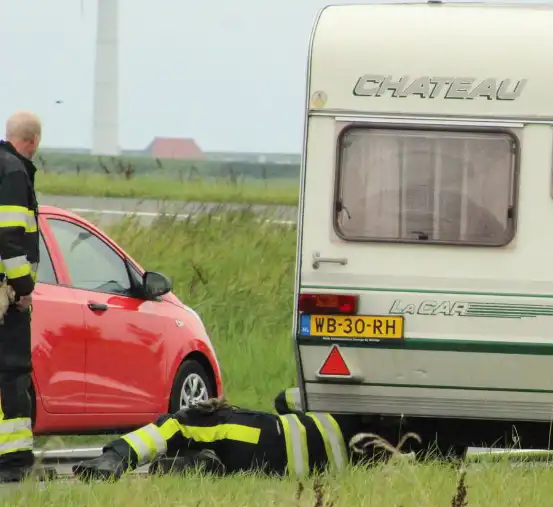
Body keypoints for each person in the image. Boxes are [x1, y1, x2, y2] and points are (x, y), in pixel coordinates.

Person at [71, 391, 406, 481]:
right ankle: (199, 467)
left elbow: (285, 398)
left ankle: (114, 458)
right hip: (266, 465)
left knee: (187, 422)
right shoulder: (381, 454)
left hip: (266, 436)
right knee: (221, 450)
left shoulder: (344, 404)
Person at [0, 112, 43, 482]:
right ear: (32, 141)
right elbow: (11, 238)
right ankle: (13, 461)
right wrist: (23, 289)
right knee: (12, 372)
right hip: (7, 296)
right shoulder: (14, 173)